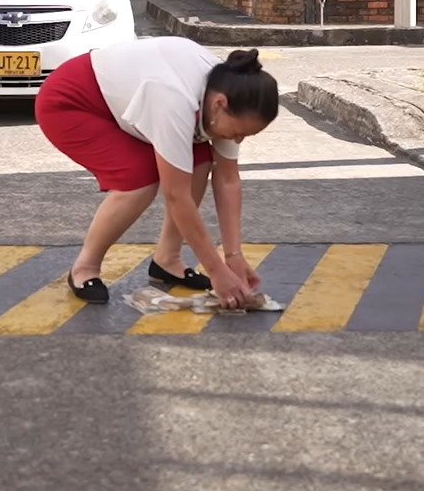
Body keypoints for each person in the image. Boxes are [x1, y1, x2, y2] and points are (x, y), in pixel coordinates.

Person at [34, 36, 279, 309]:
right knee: (138, 179)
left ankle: (168, 259)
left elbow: (228, 179)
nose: (238, 140)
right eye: (238, 132)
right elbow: (176, 195)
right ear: (219, 104)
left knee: (199, 160)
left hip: (124, 104)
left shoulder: (229, 93)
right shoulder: (173, 99)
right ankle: (85, 267)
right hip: (71, 102)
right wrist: (217, 271)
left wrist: (233, 256)